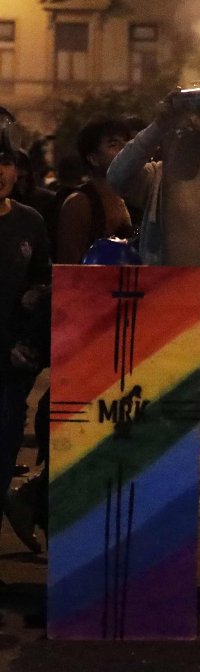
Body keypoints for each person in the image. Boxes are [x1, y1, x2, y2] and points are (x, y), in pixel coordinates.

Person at [108, 102, 200, 615]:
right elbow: (117, 172)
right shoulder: (156, 181)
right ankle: (151, 565)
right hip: (164, 325)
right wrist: (158, 123)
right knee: (155, 447)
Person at [0, 125, 51, 536]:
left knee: (2, 459)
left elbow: (41, 282)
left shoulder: (29, 222)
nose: (1, 172)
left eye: (6, 163)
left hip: (12, 368)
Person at [56, 118, 134, 264]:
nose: (125, 149)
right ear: (93, 159)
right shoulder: (79, 203)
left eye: (127, 142)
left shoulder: (134, 195)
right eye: (114, 144)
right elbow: (69, 268)